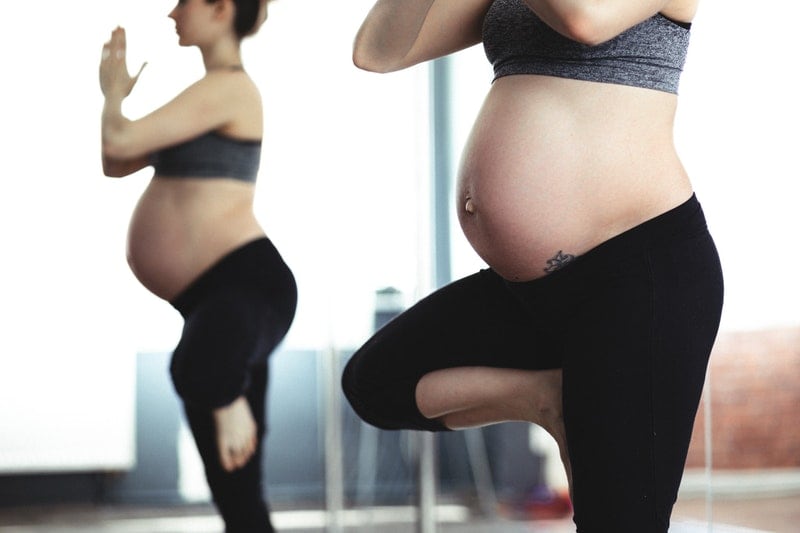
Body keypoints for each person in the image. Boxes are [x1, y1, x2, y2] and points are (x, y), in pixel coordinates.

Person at [341, 0, 723, 531]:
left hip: (635, 275)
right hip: (530, 292)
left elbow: (583, 21)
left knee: (617, 521)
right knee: (377, 381)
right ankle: (546, 398)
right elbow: (377, 51)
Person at [99, 1, 295, 531]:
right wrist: (114, 99)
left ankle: (225, 391)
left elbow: (118, 137)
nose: (171, 13)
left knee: (199, 372)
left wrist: (114, 92)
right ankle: (222, 389)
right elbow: (115, 161)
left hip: (245, 286)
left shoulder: (229, 88)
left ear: (220, 7)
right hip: (219, 298)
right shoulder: (206, 96)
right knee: (236, 491)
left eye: (184, 1)